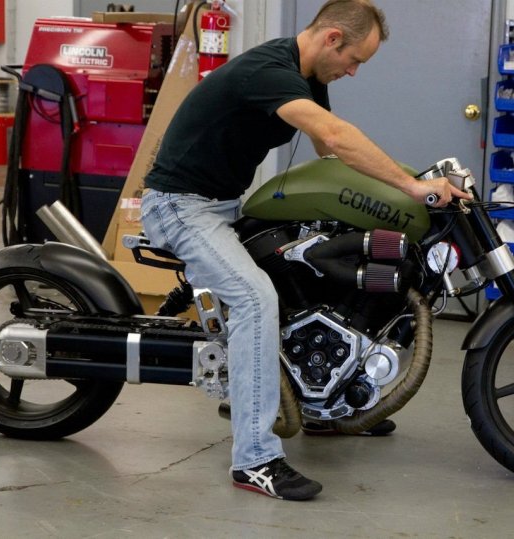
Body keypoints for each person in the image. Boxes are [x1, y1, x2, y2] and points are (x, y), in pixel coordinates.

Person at [140, 0, 469, 501]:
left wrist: (411, 184)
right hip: (181, 206)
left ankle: (321, 403)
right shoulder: (270, 70)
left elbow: (327, 147)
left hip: (223, 204)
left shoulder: (309, 76)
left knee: (309, 272)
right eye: (354, 60)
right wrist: (411, 186)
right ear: (332, 38)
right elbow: (335, 135)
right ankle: (254, 460)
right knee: (255, 299)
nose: (353, 72)